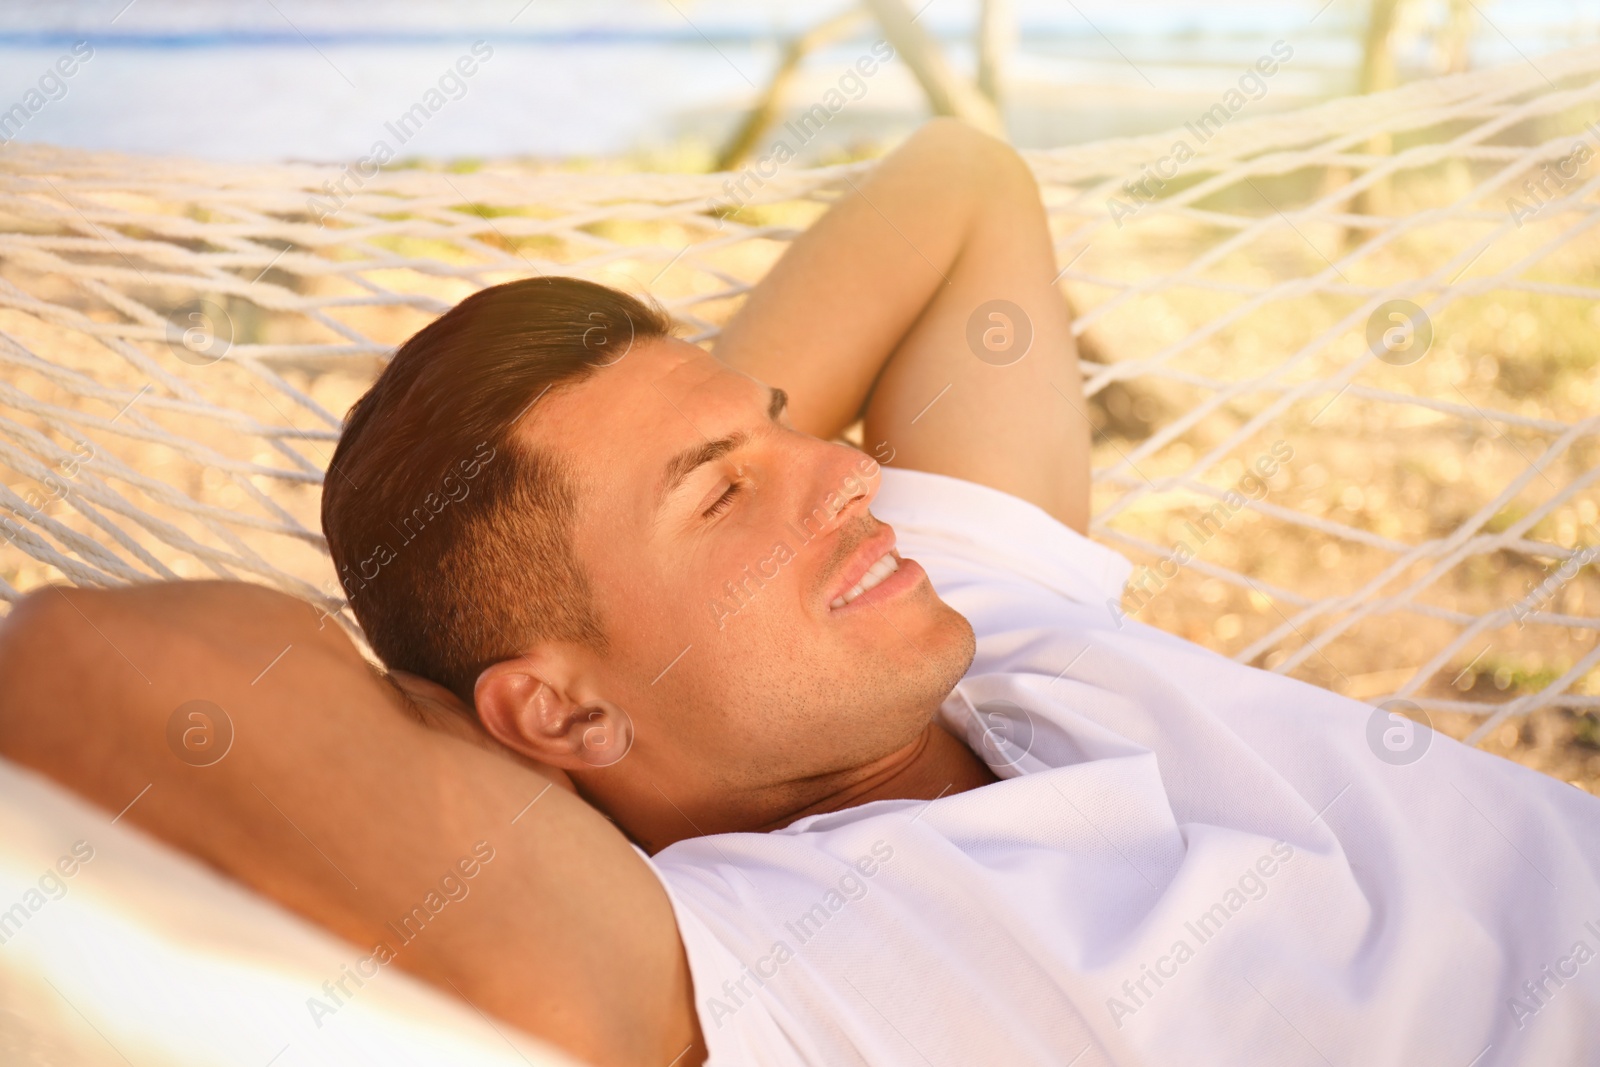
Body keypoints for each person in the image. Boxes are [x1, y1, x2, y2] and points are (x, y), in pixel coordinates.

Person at [1, 119, 1597, 1067]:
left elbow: (961, 187)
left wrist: (690, 485)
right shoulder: (758, 959)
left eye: (781, 431)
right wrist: (517, 705)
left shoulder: (953, 612)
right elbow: (78, 658)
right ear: (552, 710)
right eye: (725, 494)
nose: (846, 472)